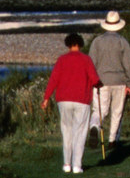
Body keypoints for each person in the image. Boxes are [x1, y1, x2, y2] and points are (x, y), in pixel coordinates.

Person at [41, 32, 102, 173]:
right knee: (79, 132)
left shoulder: (62, 60)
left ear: (68, 44)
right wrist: (99, 84)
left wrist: (46, 98)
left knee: (66, 131)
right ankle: (76, 166)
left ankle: (66, 164)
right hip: (82, 100)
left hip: (63, 99)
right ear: (80, 44)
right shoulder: (86, 60)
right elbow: (94, 79)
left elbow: (53, 80)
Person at [88, 10, 130, 147]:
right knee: (117, 111)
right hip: (120, 81)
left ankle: (95, 127)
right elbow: (128, 65)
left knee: (99, 110)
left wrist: (92, 81)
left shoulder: (97, 42)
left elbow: (91, 63)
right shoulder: (123, 42)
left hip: (101, 81)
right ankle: (112, 140)